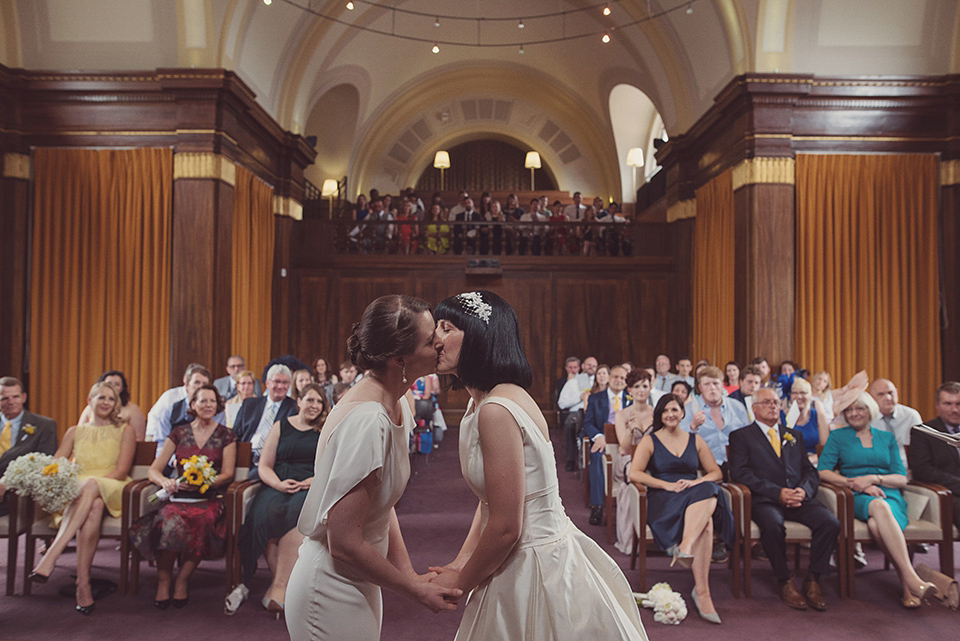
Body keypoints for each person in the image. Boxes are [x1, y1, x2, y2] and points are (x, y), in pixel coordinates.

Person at [430, 290, 647, 641]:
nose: (434, 339)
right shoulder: (485, 401)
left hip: (531, 561)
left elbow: (506, 526)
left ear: (480, 339)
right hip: (532, 547)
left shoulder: (496, 409)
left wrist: (461, 582)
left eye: (446, 327)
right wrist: (459, 560)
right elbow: (491, 502)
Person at [286, 295, 459, 640]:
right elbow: (345, 542)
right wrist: (413, 591)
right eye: (429, 340)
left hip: (360, 578)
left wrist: (408, 573)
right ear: (399, 359)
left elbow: (380, 507)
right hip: (330, 585)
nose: (440, 342)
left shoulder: (394, 402)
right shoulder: (368, 420)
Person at [817, 391, 935, 608]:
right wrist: (855, 482)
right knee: (878, 507)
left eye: (859, 408)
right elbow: (823, 471)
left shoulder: (887, 438)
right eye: (849, 410)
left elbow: (901, 478)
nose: (854, 414)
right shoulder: (838, 437)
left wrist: (875, 478)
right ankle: (909, 580)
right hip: (856, 495)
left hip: (888, 493)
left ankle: (909, 587)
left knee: (877, 524)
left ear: (869, 410)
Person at [729, 387, 840, 611]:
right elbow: (741, 474)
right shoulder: (741, 437)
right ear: (754, 408)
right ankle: (784, 580)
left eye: (776, 402)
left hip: (798, 498)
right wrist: (776, 492)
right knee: (773, 524)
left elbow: (809, 470)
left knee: (830, 523)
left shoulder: (793, 435)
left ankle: (813, 578)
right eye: (767, 402)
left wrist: (804, 491)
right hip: (765, 500)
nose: (773, 406)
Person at [28, 382, 135, 614]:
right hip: (80, 492)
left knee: (91, 485)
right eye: (101, 398)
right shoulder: (74, 431)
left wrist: (92, 484)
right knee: (93, 507)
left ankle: (53, 554)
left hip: (113, 485)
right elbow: (56, 465)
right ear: (90, 401)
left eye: (110, 399)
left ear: (116, 403)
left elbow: (121, 470)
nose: (106, 402)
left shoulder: (125, 430)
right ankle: (82, 585)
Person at [129, 384, 236, 609]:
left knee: (203, 520)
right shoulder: (179, 433)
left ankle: (182, 579)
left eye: (212, 401)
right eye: (203, 401)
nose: (208, 405)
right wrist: (165, 481)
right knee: (167, 519)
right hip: (178, 498)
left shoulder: (226, 435)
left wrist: (204, 481)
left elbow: (227, 474)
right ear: (193, 405)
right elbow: (153, 470)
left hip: (208, 498)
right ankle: (164, 579)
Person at [629, 394, 734, 623]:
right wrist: (667, 484)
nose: (670, 415)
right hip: (664, 497)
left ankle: (686, 549)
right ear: (660, 415)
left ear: (682, 413)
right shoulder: (650, 440)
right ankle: (702, 592)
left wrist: (695, 482)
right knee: (706, 520)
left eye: (675, 410)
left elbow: (715, 473)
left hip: (694, 491)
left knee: (707, 489)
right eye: (666, 411)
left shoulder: (694, 440)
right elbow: (634, 473)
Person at [230, 383, 329, 616]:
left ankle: (279, 587)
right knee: (266, 513)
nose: (314, 406)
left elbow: (331, 466)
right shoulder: (280, 426)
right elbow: (264, 465)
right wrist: (277, 484)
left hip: (310, 486)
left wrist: (313, 481)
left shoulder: (325, 430)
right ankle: (286, 587)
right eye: (310, 400)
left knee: (295, 512)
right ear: (299, 401)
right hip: (278, 483)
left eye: (319, 402)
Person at [0, 376, 58, 517]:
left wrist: (7, 484)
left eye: (15, 397)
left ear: (24, 397)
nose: (11, 402)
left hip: (17, 493)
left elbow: (44, 465)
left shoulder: (44, 426)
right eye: (4, 398)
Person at [908, 381, 960, 532]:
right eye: (948, 404)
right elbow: (922, 470)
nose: (954, 409)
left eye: (958, 404)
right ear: (937, 405)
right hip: (948, 493)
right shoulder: (923, 432)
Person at [613, 369, 654, 554]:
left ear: (650, 388)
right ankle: (632, 539)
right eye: (637, 386)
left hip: (652, 458)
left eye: (645, 386)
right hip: (629, 459)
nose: (641, 390)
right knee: (633, 474)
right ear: (629, 390)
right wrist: (631, 429)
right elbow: (623, 449)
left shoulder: (656, 413)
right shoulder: (622, 415)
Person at [582, 365, 630, 525]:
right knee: (596, 457)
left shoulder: (631, 398)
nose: (619, 381)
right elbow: (587, 423)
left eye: (623, 378)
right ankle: (597, 506)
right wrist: (598, 436)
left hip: (626, 441)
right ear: (609, 378)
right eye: (616, 377)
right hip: (603, 440)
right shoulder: (596, 398)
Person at [233, 364, 297, 472]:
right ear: (267, 383)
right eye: (276, 381)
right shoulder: (249, 405)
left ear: (289, 385)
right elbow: (235, 434)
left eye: (285, 382)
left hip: (275, 463)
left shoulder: (295, 408)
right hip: (245, 460)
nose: (280, 386)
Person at [76, 371, 146, 440]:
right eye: (108, 383)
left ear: (122, 388)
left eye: (117, 384)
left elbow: (139, 438)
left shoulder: (133, 409)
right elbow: (80, 433)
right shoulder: (89, 408)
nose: (112, 387)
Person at [870, 378, 922, 468]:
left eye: (890, 393)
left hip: (908, 471)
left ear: (897, 392)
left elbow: (921, 449)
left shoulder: (911, 415)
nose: (888, 398)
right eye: (881, 394)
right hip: (876, 471)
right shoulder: (866, 418)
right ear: (871, 398)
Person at [782, 378, 829, 463]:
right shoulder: (781, 416)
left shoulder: (818, 415)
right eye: (794, 393)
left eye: (803, 393)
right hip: (789, 462)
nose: (799, 396)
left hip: (813, 461)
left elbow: (826, 448)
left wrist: (809, 460)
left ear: (811, 396)